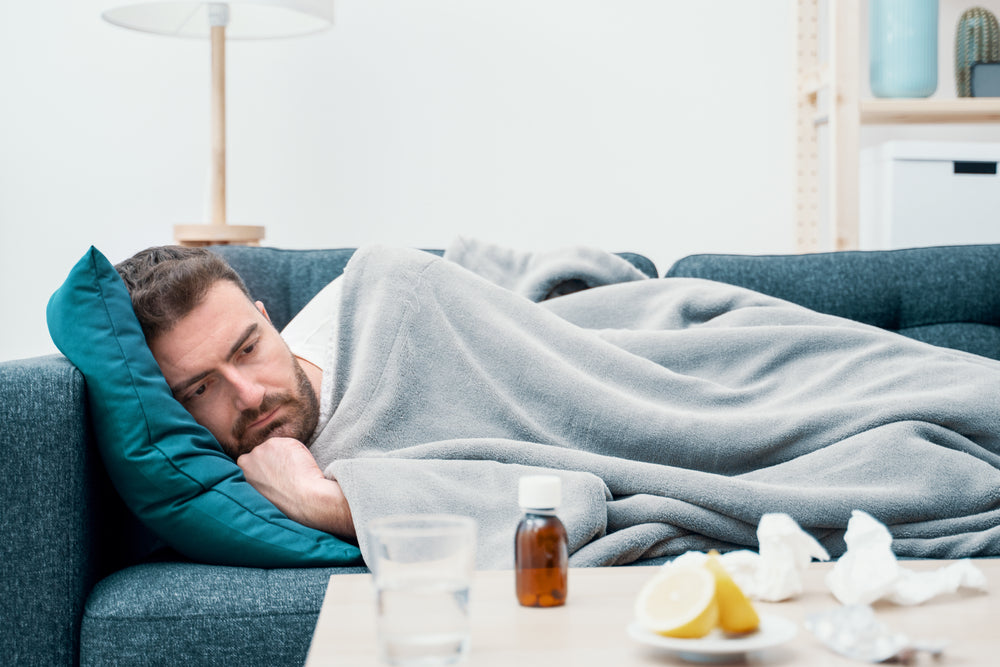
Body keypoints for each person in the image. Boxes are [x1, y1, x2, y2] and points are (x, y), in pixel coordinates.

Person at [116, 246, 356, 541]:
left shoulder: (392, 293)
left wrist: (312, 499)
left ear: (267, 320)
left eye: (249, 349)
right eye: (201, 389)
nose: (251, 396)